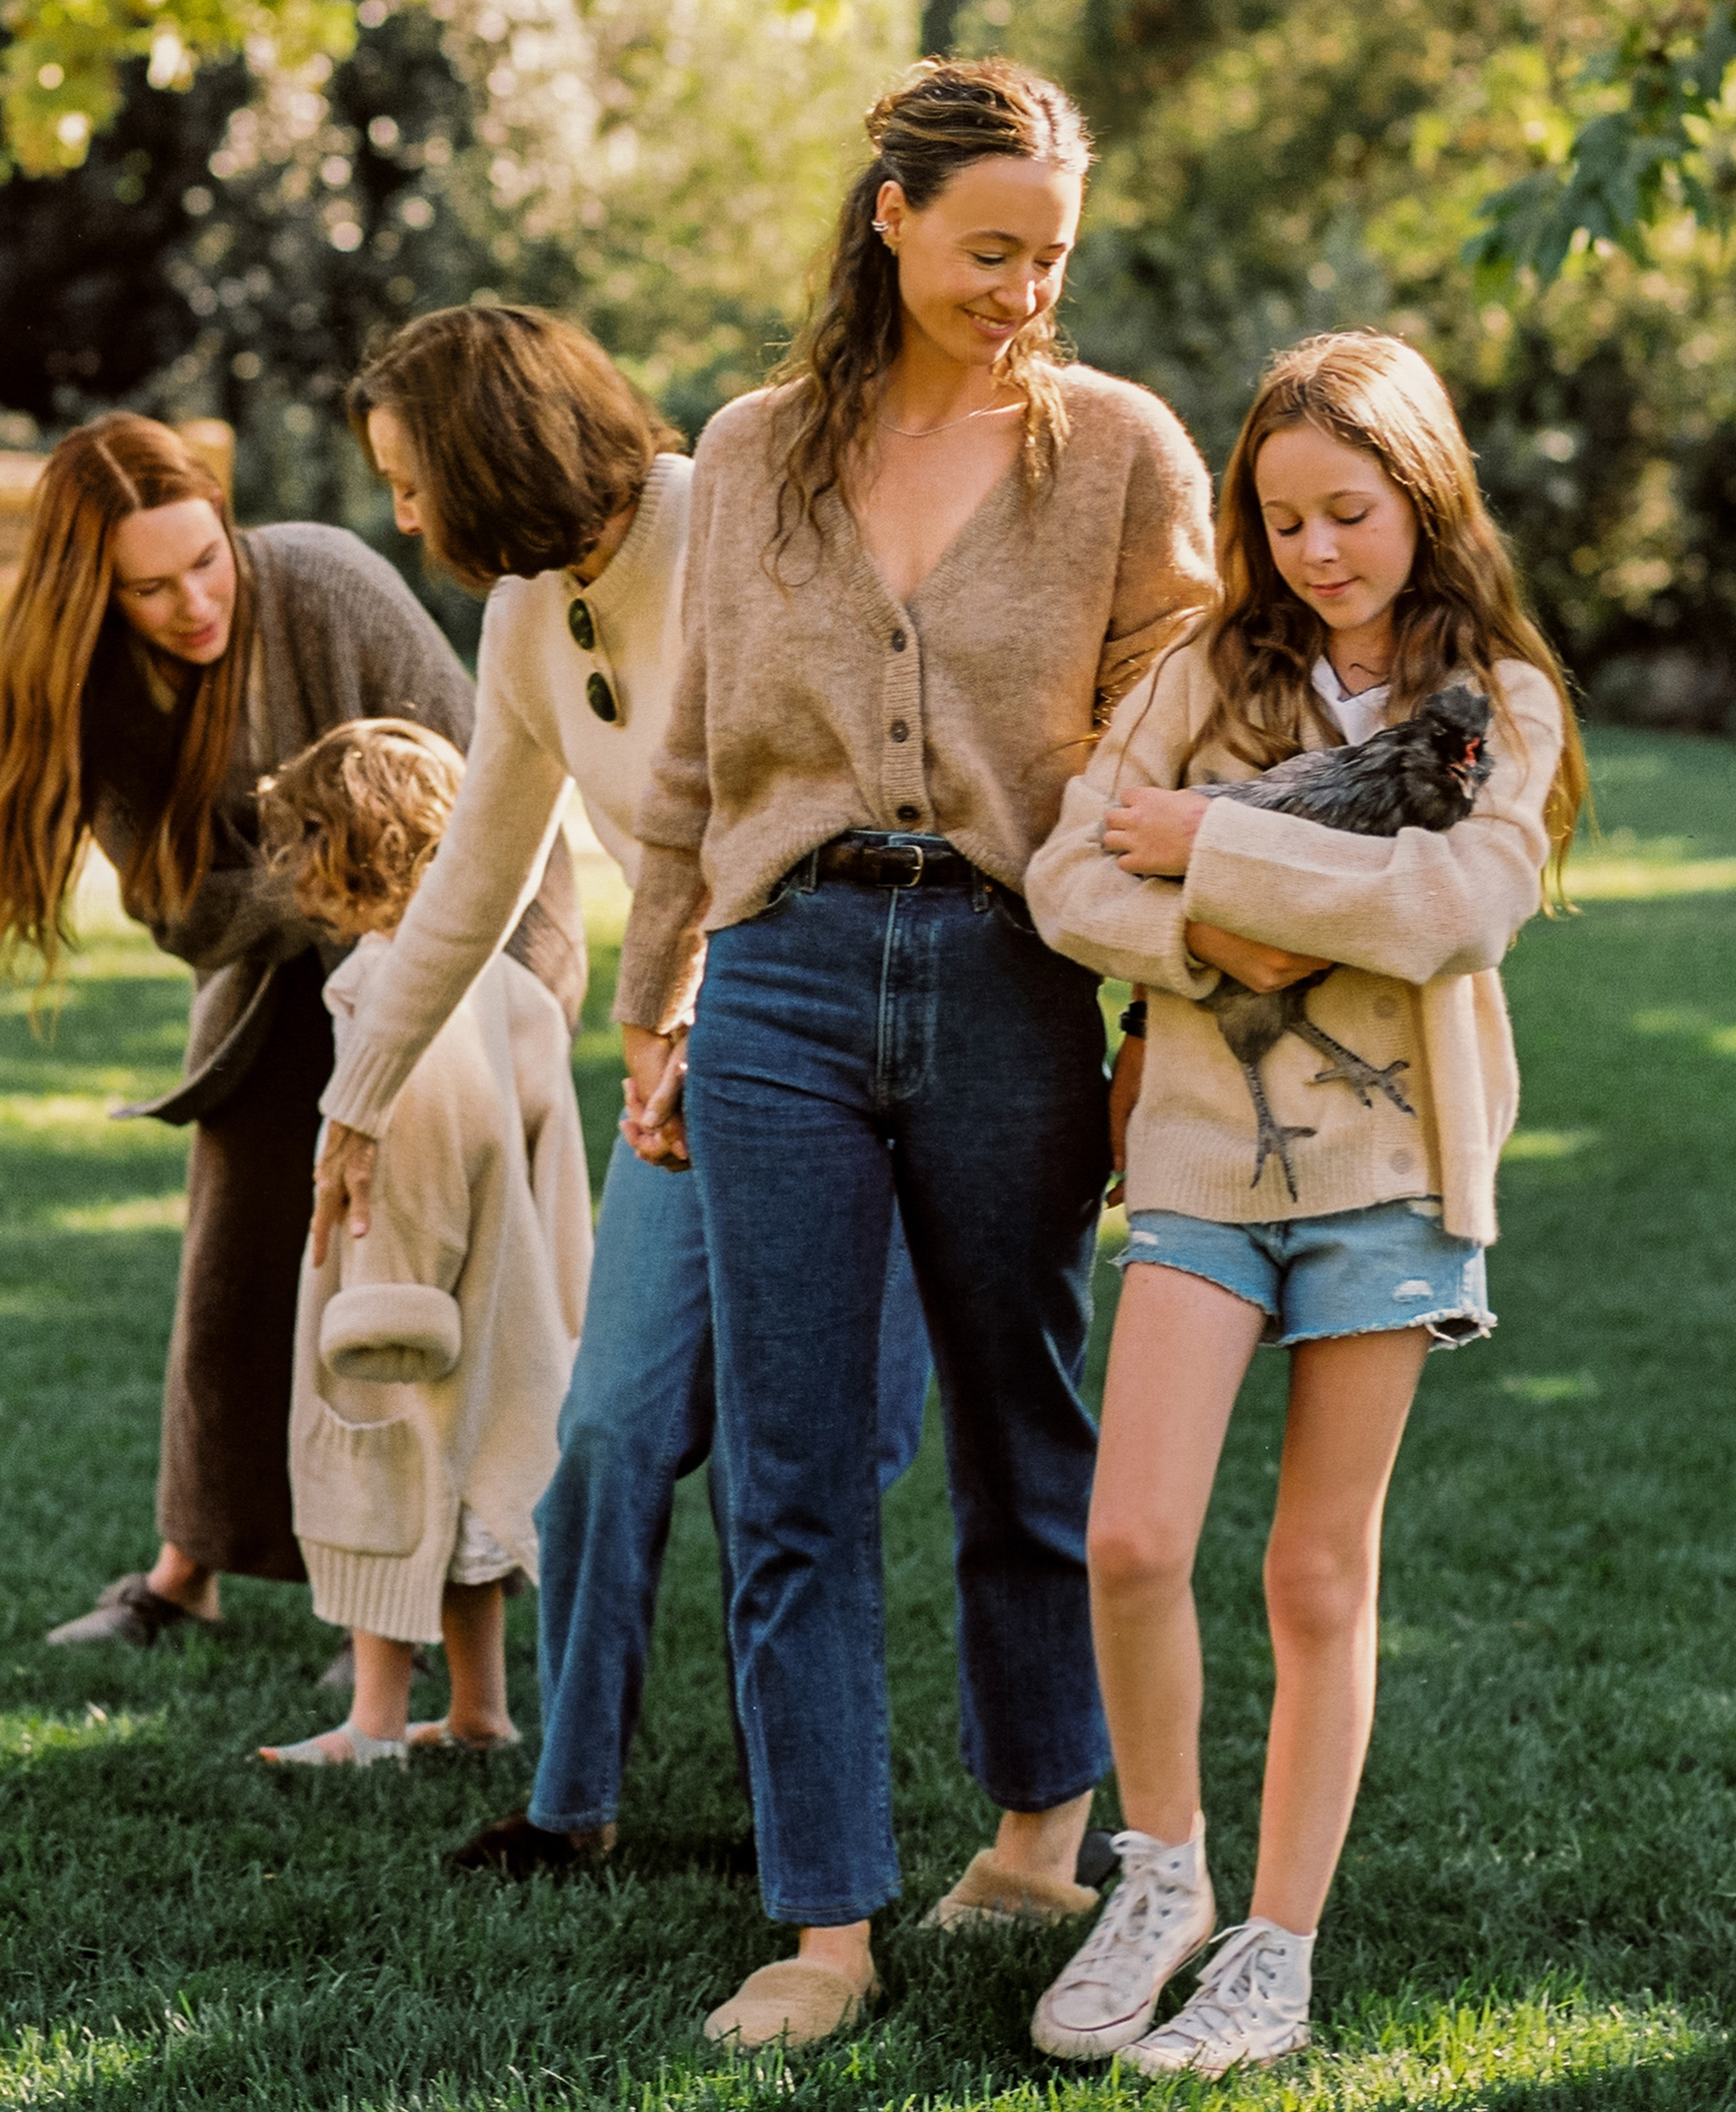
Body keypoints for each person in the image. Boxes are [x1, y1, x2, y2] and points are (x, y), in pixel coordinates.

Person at [612, 57, 1216, 2049]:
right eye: (988, 249)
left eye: (1051, 254)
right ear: (891, 217)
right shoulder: (754, 448)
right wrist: (654, 997)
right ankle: (825, 1924)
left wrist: (1161, 1013)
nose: (1023, 289)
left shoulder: (1117, 451)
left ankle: (1038, 1837)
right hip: (779, 980)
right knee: (785, 1465)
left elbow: (1192, 747)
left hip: (1011, 977)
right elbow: (693, 755)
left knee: (1020, 1422)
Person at [1022, 331, 1588, 2077]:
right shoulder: (1203, 668)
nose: (1317, 551)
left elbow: (1457, 910)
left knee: (1316, 1574)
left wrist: (1210, 848)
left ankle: (1275, 1951)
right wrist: (1210, 937)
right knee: (1131, 1540)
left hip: (1394, 1173)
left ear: (1422, 496)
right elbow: (1065, 872)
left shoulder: (1500, 697)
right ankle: (1162, 1876)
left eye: (1349, 511)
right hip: (1204, 1154)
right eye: (1281, 521)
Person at [305, 304, 934, 1866]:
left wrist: (691, 1003)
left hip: (851, 1047)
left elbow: (815, 791)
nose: (405, 517)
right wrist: (356, 1100)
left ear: (488, 453)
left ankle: (819, 1809)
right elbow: (475, 873)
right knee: (605, 1434)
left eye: (412, 479)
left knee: (818, 1462)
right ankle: (569, 1803)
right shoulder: (531, 615)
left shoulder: (731, 521)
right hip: (685, 1077)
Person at [0, 414, 569, 1648]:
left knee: (409, 1288)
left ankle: (412, 1613)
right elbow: (180, 914)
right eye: (150, 588)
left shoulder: (326, 581)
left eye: (206, 560)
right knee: (239, 1279)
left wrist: (517, 1012)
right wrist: (325, 885)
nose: (194, 603)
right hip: (267, 994)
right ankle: (185, 1572)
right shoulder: (94, 688)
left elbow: (494, 799)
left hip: (443, 977)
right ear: (96, 594)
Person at [253, 720, 589, 1766]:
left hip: (417, 1305)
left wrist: (386, 1298)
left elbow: (430, 1149)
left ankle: (375, 1724)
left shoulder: (409, 987)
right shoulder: (501, 980)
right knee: (469, 1512)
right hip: (506, 1299)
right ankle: (480, 1713)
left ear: (355, 848)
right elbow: (539, 1151)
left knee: (395, 1496)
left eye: (304, 840)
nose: (290, 865)